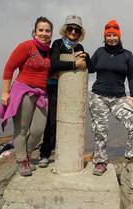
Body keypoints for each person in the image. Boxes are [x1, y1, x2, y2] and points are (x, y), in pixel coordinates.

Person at [88, 19, 133, 176]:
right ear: (105, 37)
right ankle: (100, 161)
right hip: (98, 96)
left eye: (114, 35)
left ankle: (132, 154)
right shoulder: (100, 52)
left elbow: (132, 77)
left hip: (119, 98)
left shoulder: (127, 55)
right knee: (100, 130)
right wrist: (80, 56)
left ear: (119, 37)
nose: (112, 38)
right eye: (109, 35)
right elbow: (89, 68)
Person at [0, 17, 53, 176]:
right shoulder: (26, 46)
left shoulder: (50, 51)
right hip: (23, 92)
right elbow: (9, 68)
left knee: (37, 130)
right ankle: (22, 161)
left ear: (51, 33)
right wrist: (5, 92)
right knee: (22, 130)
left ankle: (27, 154)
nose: (44, 33)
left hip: (41, 94)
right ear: (35, 32)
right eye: (40, 30)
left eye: (47, 30)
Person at [38, 15, 88, 168]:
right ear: (65, 30)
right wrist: (74, 64)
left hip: (71, 90)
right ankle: (45, 153)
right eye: (70, 28)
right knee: (52, 121)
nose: (73, 32)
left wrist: (86, 58)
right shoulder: (58, 43)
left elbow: (87, 66)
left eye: (76, 30)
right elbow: (53, 64)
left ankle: (63, 150)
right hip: (53, 87)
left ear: (80, 33)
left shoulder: (79, 47)